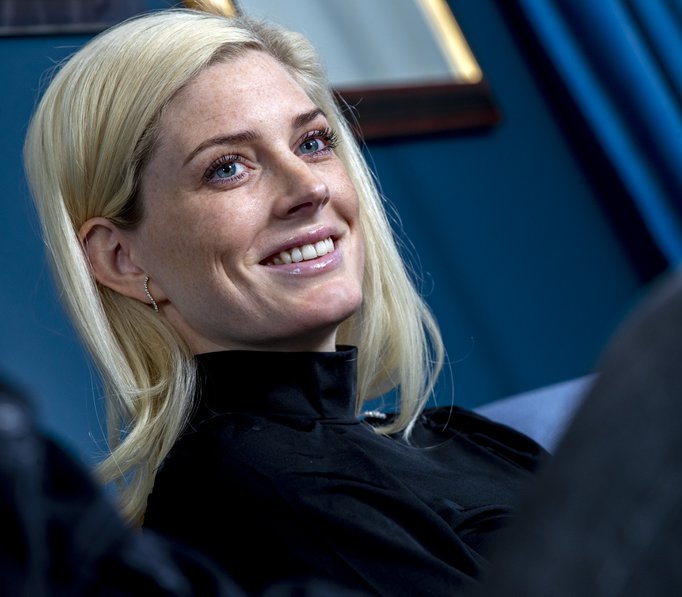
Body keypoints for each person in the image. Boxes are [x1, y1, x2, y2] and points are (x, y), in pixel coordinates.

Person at [24, 8, 545, 595]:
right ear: (122, 258)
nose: (309, 187)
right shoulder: (245, 489)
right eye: (227, 168)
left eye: (313, 142)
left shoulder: (455, 435)